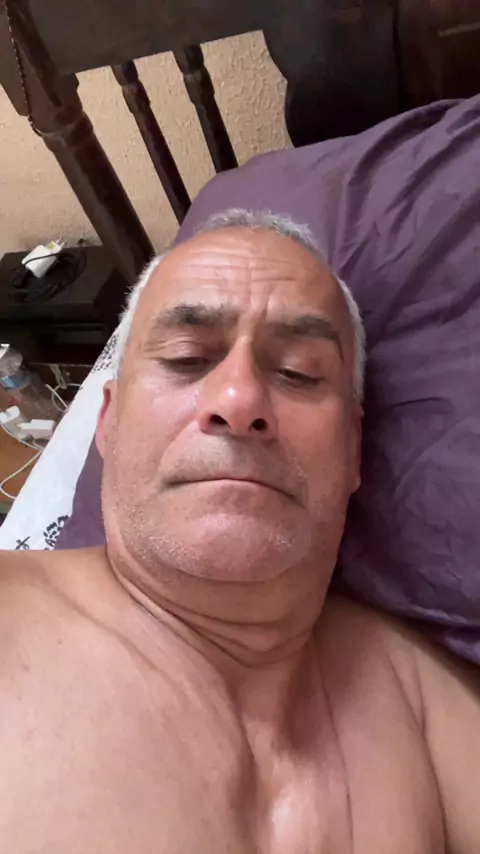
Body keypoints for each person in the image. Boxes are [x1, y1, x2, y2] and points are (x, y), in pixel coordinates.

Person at [1, 209, 479, 854]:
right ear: (107, 423)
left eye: (299, 372)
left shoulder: (418, 697)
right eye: (186, 357)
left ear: (353, 448)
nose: (239, 399)